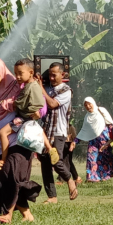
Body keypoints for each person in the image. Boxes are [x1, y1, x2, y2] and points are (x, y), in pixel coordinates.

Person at [0, 57, 41, 223]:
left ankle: (7, 214)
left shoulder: (19, 86)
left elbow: (39, 106)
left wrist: (37, 113)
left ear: (1, 70)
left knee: (13, 175)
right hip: (2, 143)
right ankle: (26, 215)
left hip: (19, 139)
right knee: (6, 178)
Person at [0, 58, 58, 167]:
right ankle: (49, 148)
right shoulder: (31, 85)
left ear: (31, 72)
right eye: (16, 73)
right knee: (38, 129)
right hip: (30, 118)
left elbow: (29, 102)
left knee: (2, 132)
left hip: (23, 118)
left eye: (20, 73)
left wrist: (12, 103)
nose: (17, 76)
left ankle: (3, 159)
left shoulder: (31, 87)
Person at [37, 63, 77, 203]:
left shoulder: (66, 90)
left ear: (63, 75)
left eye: (55, 74)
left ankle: (70, 180)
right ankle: (52, 197)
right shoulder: (47, 88)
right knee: (45, 163)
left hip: (58, 132)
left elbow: (53, 104)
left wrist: (41, 87)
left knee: (56, 160)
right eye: (50, 74)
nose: (52, 77)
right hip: (45, 131)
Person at [75, 97, 113, 183]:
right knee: (91, 158)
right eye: (85, 105)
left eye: (89, 104)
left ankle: (106, 177)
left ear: (93, 103)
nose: (88, 106)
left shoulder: (101, 110)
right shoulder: (87, 117)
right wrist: (75, 142)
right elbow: (83, 131)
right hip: (93, 141)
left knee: (105, 159)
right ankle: (92, 178)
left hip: (104, 140)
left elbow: (110, 124)